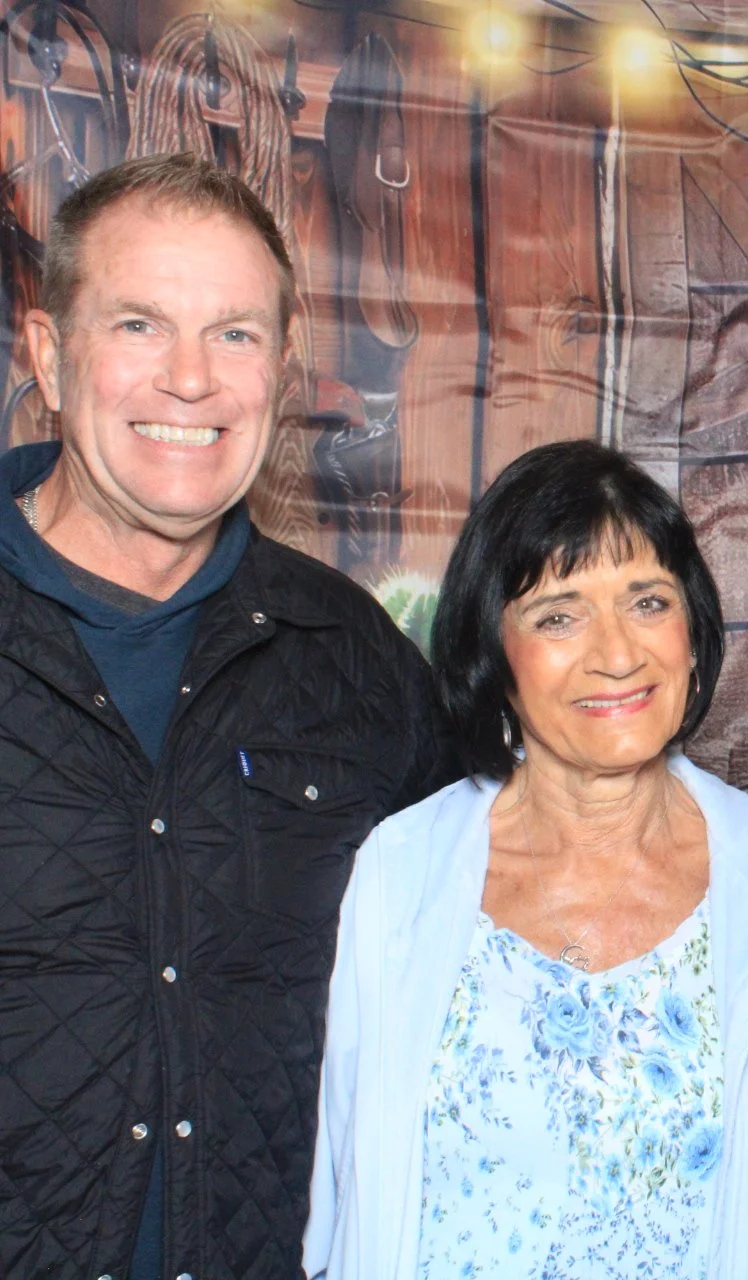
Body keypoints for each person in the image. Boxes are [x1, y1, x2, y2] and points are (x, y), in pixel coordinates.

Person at [0, 153, 452, 1280]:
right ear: (48, 355)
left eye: (237, 333)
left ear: (283, 368)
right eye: (141, 324)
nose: (191, 380)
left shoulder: (359, 667)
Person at [304, 440, 748, 1280]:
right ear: (494, 655)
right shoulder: (401, 871)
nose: (617, 654)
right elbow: (341, 1199)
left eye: (648, 602)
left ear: (692, 631)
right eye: (558, 616)